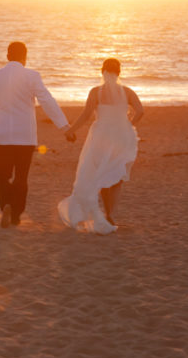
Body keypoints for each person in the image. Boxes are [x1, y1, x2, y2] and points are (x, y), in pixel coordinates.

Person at [0, 42, 70, 228]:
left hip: (2, 136)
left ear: (7, 56)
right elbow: (47, 101)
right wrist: (64, 126)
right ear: (25, 57)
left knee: (0, 176)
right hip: (25, 137)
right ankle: (16, 215)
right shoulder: (32, 76)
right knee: (21, 177)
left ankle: (7, 205)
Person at [58, 58, 144, 234]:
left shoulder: (96, 92)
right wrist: (129, 123)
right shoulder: (127, 92)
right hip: (122, 136)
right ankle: (110, 213)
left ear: (102, 72)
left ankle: (106, 213)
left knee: (102, 172)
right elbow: (140, 110)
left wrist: (70, 130)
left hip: (101, 137)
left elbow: (85, 115)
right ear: (119, 72)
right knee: (117, 173)